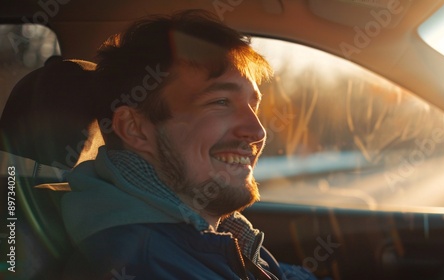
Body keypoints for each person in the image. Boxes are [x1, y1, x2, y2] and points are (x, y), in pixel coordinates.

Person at [61, 10, 317, 280]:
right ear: (134, 128)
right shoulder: (143, 266)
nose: (257, 131)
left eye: (253, 106)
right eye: (220, 102)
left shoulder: (216, 235)